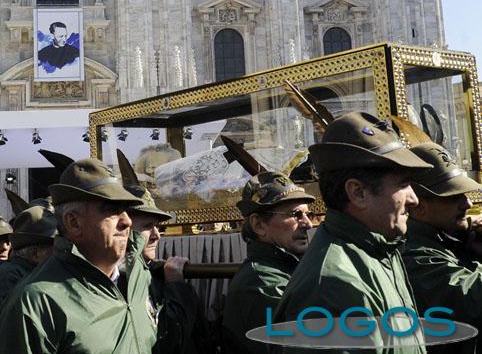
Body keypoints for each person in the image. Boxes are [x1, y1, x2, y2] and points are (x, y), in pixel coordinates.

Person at [273, 112, 432, 354]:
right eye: (403, 184)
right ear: (358, 193)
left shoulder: (379, 250)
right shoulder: (331, 284)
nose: (414, 199)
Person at [0, 158, 160, 353]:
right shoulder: (37, 301)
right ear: (73, 223)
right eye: (112, 210)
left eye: (125, 210)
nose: (126, 221)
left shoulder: (139, 276)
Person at [118, 148, 213, 354]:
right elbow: (166, 342)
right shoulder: (119, 280)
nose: (156, 235)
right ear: (121, 226)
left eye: (158, 227)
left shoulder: (151, 272)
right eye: (146, 226)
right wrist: (176, 286)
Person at [223, 171, 315, 354]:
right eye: (296, 215)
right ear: (259, 225)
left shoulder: (286, 270)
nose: (307, 224)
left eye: (308, 215)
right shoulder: (261, 283)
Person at [402, 142, 482, 353]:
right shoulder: (414, 255)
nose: (466, 203)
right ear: (419, 207)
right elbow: (470, 302)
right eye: (454, 197)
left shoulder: (448, 240)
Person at [0, 206, 56, 305]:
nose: (58, 253)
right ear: (35, 254)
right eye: (54, 248)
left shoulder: (30, 273)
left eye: (7, 240)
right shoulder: (9, 277)